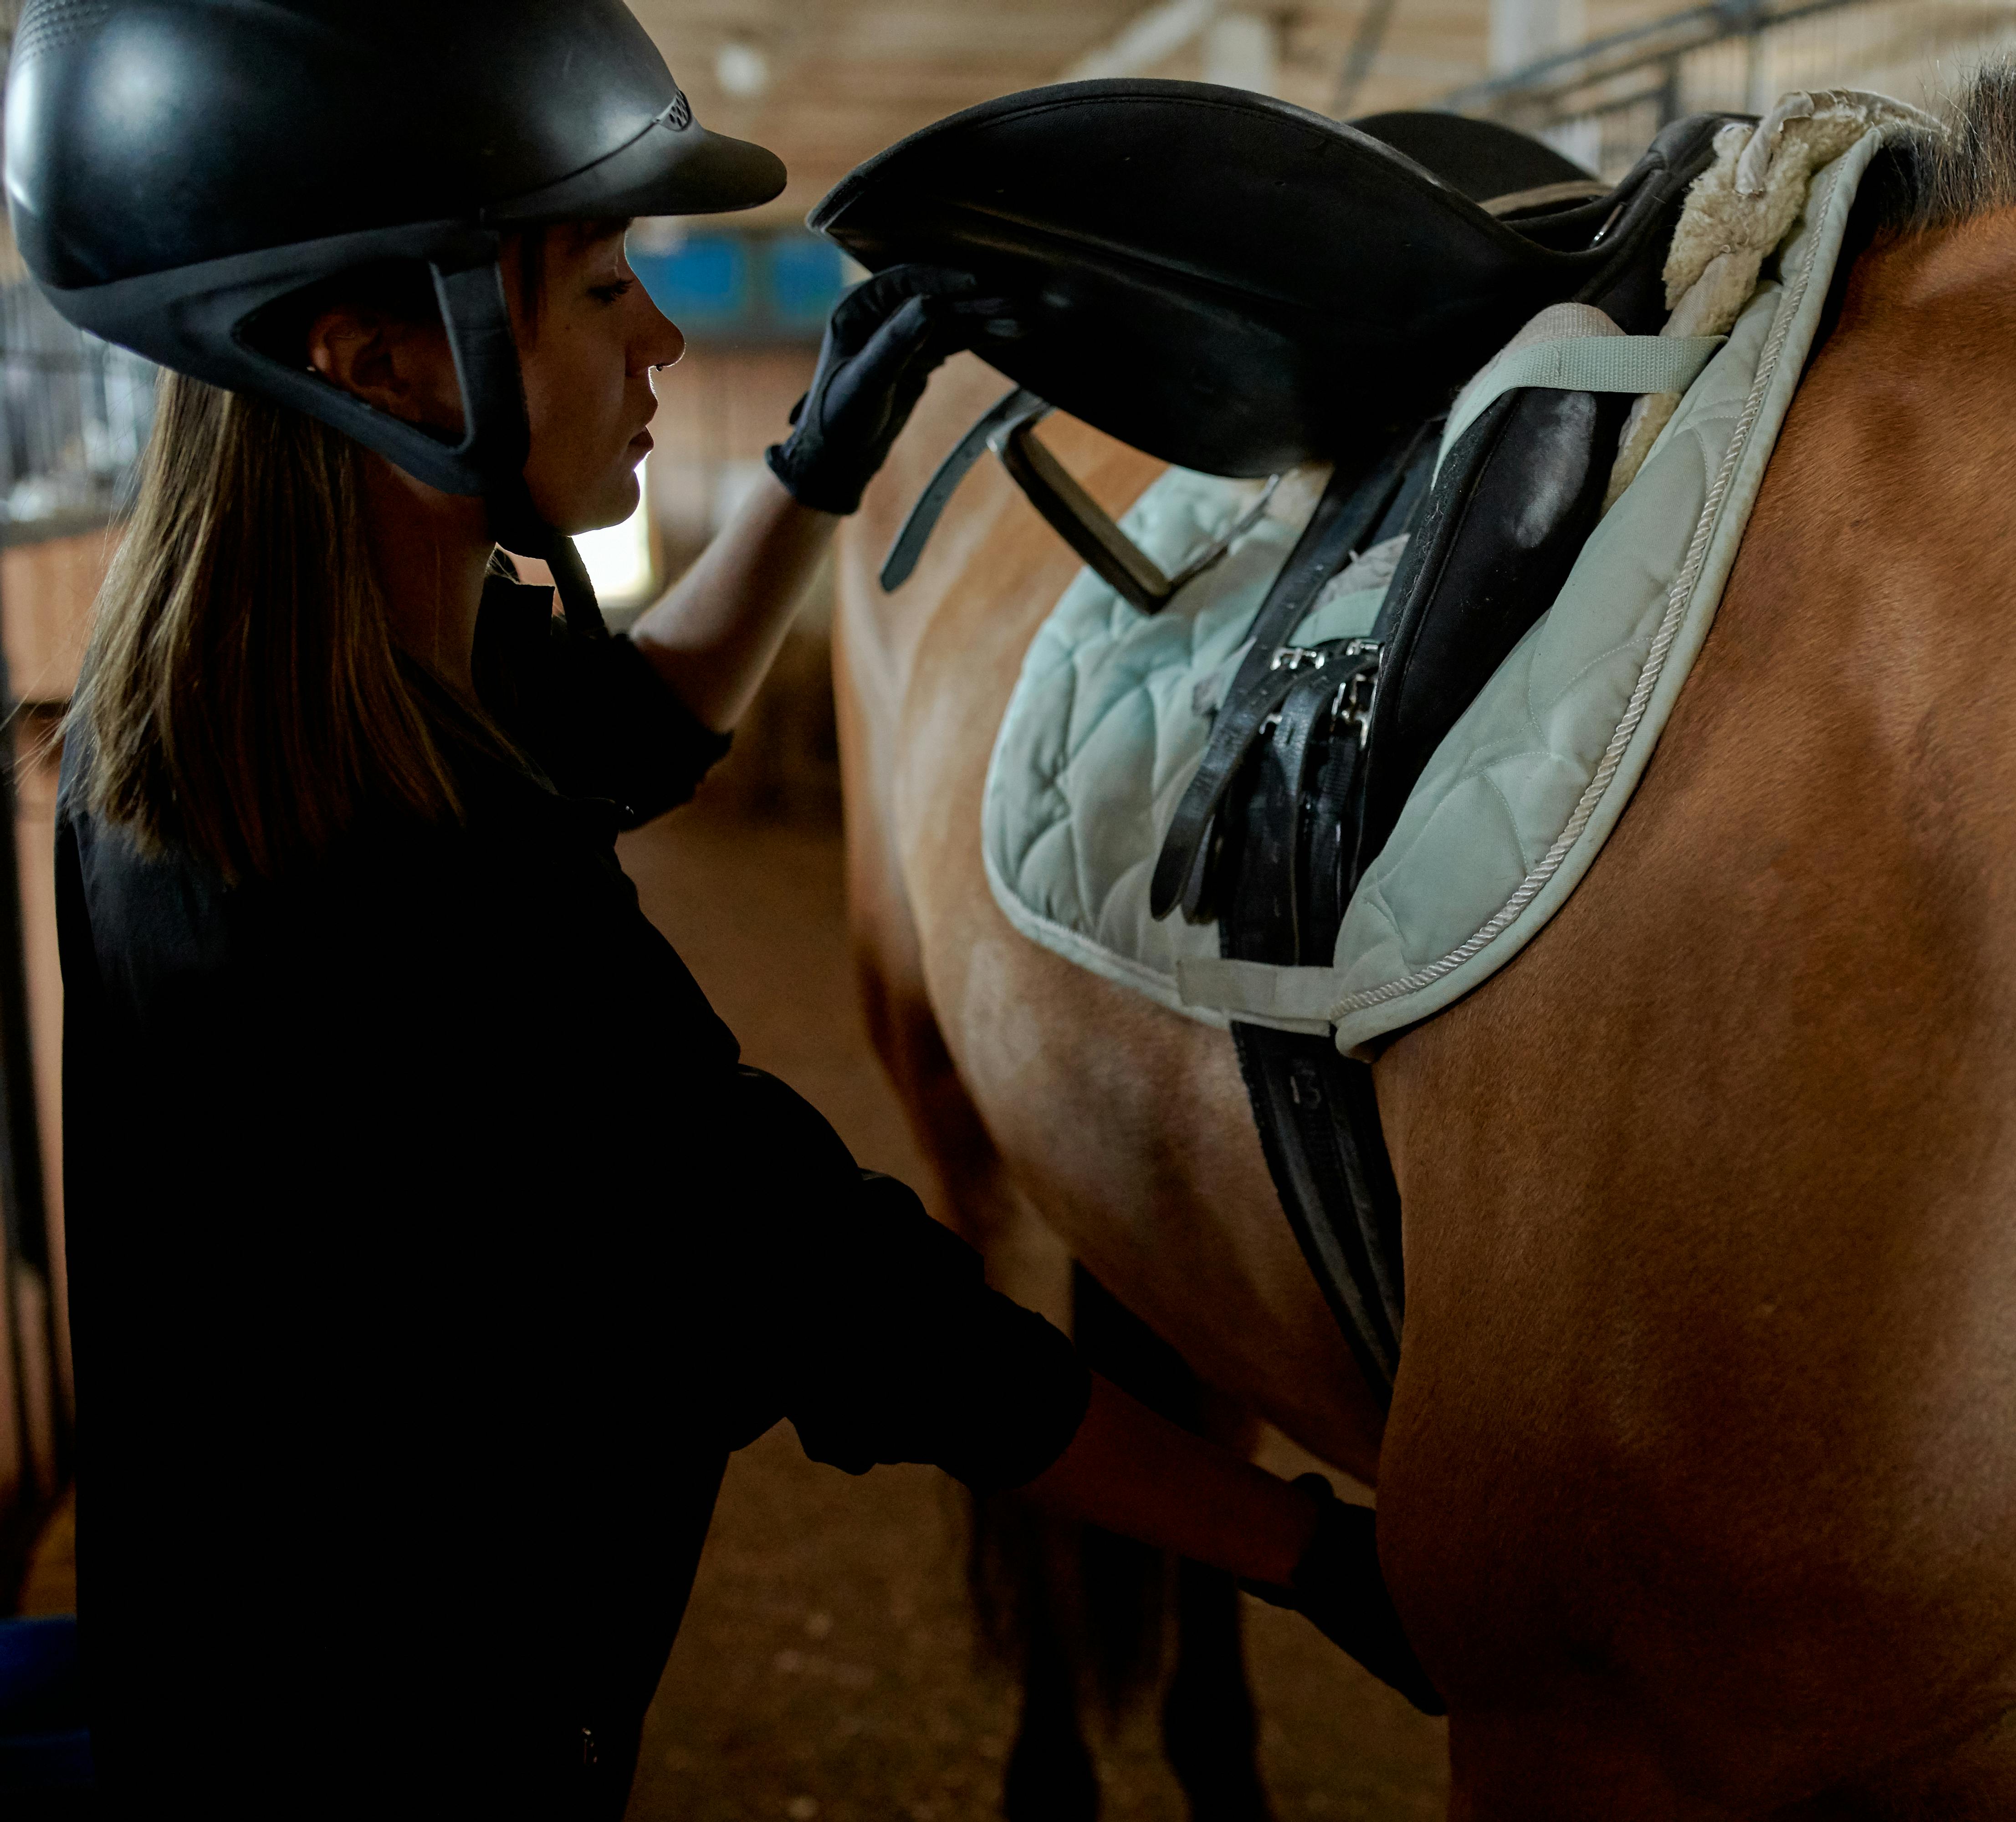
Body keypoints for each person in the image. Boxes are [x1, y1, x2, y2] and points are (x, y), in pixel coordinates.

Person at [4, 2, 1437, 1812]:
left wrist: (820, 468)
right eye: (605, 289)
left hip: (223, 1686)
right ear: (386, 362)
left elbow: (617, 726)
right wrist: (1311, 1552)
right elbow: (839, 1299)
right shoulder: (434, 904)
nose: (665, 339)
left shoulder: (214, 729)